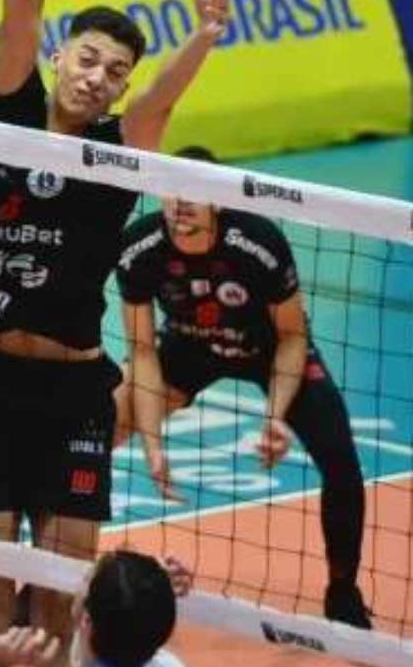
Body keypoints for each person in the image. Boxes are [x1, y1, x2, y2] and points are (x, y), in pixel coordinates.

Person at [0, 0, 228, 667]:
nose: (96, 77)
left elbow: (158, 108)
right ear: (63, 55)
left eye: (114, 73)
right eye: (89, 58)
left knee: (60, 602)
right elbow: (17, 18)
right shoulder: (9, 112)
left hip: (72, 394)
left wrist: (204, 37)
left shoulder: (114, 157)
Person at [115, 146, 370, 628]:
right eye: (173, 190)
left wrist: (275, 416)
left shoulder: (258, 242)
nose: (181, 202)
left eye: (195, 192)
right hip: (189, 345)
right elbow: (143, 352)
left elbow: (292, 336)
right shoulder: (139, 248)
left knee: (341, 462)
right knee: (97, 424)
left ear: (218, 200)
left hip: (270, 348)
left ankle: (342, 589)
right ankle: (53, 570)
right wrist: (151, 444)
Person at [0, 551, 193, 667]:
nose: (79, 583)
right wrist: (149, 586)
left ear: (86, 619)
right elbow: (137, 619)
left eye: (85, 579)